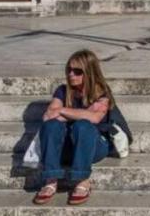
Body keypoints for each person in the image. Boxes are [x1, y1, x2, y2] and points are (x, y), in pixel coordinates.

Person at [33, 49, 115, 206]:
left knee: (83, 126)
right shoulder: (62, 91)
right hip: (66, 147)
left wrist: (63, 110)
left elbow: (94, 117)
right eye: (69, 70)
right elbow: (48, 116)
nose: (71, 74)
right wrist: (81, 113)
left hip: (94, 146)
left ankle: (82, 180)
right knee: (51, 126)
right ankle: (50, 180)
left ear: (89, 72)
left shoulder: (102, 93)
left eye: (77, 71)